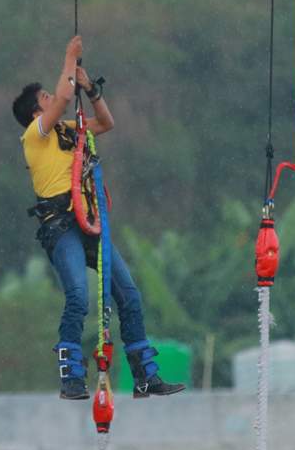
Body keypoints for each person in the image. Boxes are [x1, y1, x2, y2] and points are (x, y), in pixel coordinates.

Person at [12, 35, 186, 401]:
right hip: (62, 228)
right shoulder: (35, 134)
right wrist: (68, 59)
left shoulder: (68, 131)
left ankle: (145, 378)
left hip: (88, 221)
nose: (52, 98)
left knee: (130, 295)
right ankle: (71, 376)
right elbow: (61, 99)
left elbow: (106, 123)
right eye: (44, 98)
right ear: (35, 111)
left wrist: (90, 90)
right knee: (78, 296)